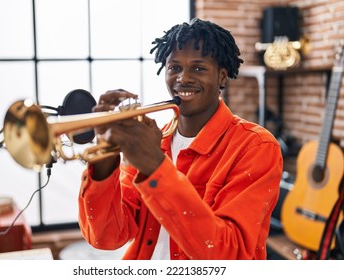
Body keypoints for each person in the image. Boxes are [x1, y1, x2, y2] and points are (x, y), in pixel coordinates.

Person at [77, 18, 283, 260]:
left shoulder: (256, 146)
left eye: (198, 68)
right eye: (174, 67)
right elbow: (107, 237)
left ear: (222, 77)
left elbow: (229, 254)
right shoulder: (154, 141)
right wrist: (105, 159)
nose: (183, 78)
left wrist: (155, 167)